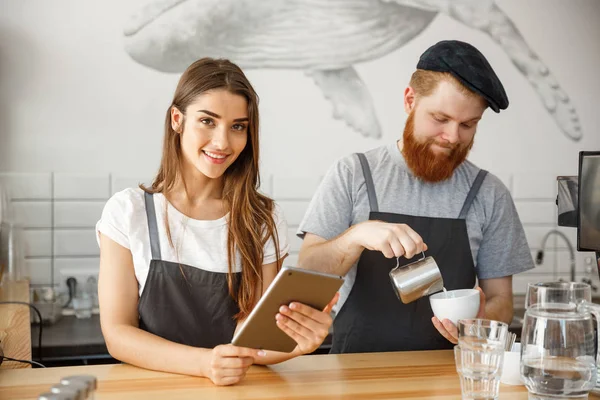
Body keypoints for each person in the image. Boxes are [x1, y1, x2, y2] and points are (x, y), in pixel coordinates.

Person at [96, 58, 338, 385]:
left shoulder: (263, 220)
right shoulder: (128, 212)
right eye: (208, 121)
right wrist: (204, 363)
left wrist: (298, 343)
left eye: (238, 126)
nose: (223, 142)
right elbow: (118, 334)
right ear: (177, 120)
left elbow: (258, 342)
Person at [296, 40, 534, 353]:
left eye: (468, 125)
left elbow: (501, 301)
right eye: (440, 118)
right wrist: (356, 236)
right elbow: (308, 271)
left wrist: (480, 322)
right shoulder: (353, 174)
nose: (452, 137)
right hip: (354, 374)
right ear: (410, 100)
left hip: (449, 376)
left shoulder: (489, 194)